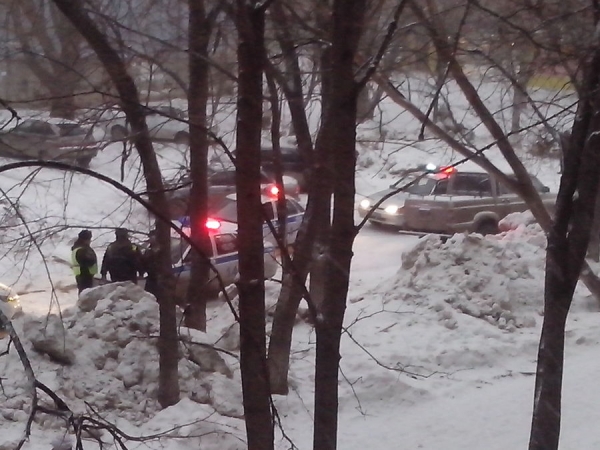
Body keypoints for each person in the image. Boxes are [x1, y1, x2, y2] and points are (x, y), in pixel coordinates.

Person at [71, 229, 98, 294]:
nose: (90, 241)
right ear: (85, 239)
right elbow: (87, 262)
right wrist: (93, 260)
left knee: (83, 293)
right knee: (86, 293)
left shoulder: (77, 248)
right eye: (89, 239)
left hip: (81, 274)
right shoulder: (82, 250)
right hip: (85, 274)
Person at [141, 229, 159, 297]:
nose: (151, 239)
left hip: (159, 278)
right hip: (151, 278)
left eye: (153, 236)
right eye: (150, 237)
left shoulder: (162, 249)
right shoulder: (148, 250)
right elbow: (144, 263)